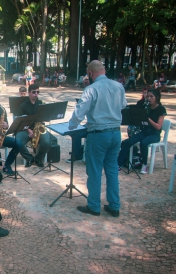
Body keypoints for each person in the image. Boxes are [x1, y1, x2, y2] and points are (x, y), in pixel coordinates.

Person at [68, 60, 127, 217]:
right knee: (112, 170)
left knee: (94, 171)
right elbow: (123, 106)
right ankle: (114, 206)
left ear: (90, 73)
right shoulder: (118, 86)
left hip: (98, 135)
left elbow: (79, 113)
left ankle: (94, 206)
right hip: (115, 133)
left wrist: (71, 126)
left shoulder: (91, 89)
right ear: (104, 70)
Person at [117, 89, 166, 174]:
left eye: (151, 97)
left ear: (157, 97)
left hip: (154, 134)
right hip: (145, 131)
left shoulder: (161, 109)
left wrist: (148, 119)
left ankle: (144, 164)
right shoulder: (146, 107)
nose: (149, 98)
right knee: (128, 142)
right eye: (148, 97)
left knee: (143, 143)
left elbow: (158, 127)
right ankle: (118, 164)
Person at [15, 84, 54, 167]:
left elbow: (47, 116)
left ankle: (39, 158)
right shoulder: (23, 106)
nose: (36, 94)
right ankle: (29, 158)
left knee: (47, 142)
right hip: (25, 129)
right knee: (18, 141)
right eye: (34, 92)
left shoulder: (41, 103)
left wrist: (47, 118)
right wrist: (28, 130)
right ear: (29, 93)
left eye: (37, 92)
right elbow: (20, 121)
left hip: (39, 128)